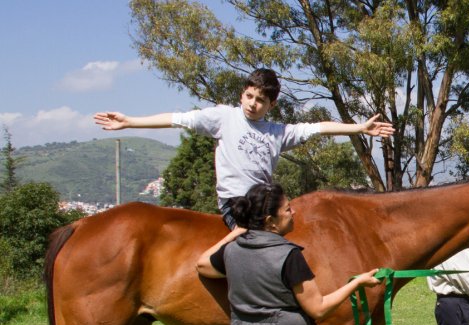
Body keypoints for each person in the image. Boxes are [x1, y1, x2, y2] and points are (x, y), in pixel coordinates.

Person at [94, 68, 394, 230]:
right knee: (257, 253)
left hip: (265, 207)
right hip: (235, 205)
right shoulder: (224, 117)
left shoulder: (277, 132)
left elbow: (319, 127)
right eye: (249, 96)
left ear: (271, 104)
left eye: (260, 100)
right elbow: (177, 120)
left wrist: (358, 128)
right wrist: (130, 122)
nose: (252, 103)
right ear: (242, 94)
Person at [195, 183, 380, 325]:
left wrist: (233, 235)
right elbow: (319, 308)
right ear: (271, 222)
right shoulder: (289, 256)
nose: (294, 212)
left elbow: (202, 264)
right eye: (287, 209)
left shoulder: (231, 250)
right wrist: (356, 283)